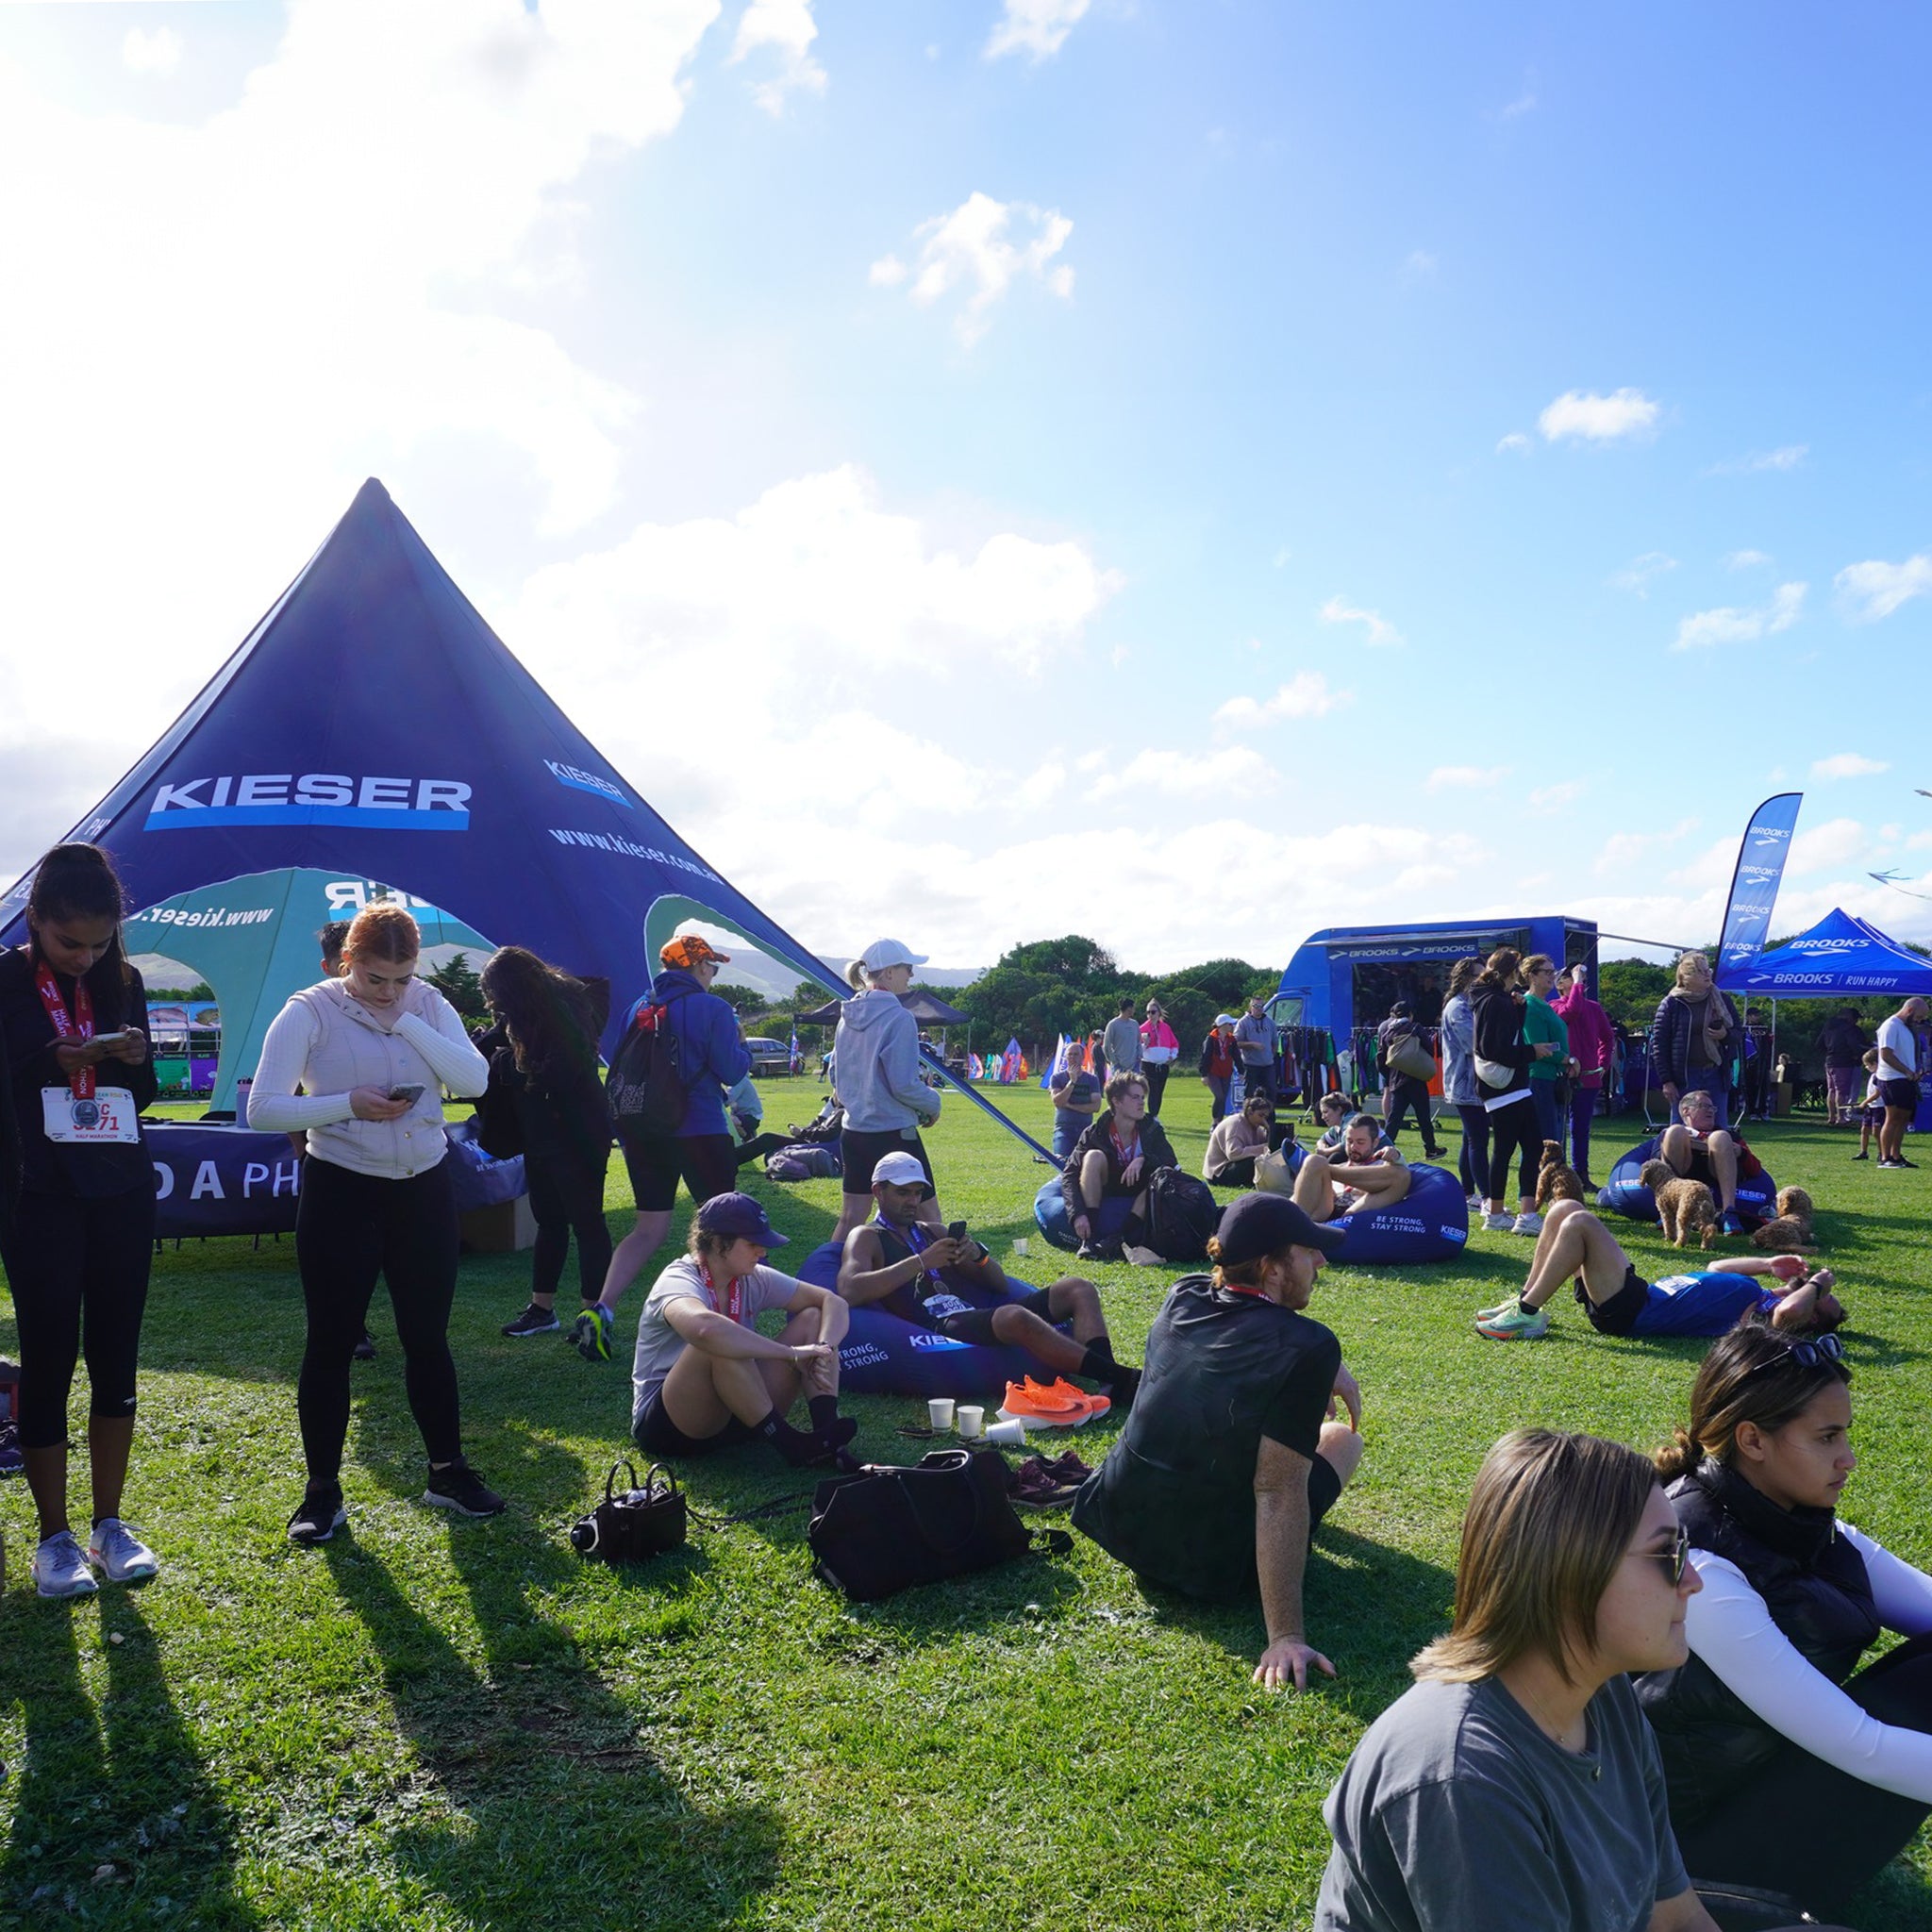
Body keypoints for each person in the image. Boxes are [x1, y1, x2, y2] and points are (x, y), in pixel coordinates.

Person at [1314, 1429, 1724, 1932]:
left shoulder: (1602, 1694)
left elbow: (1675, 1918)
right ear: (1567, 1576)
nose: (1693, 1581)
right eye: (1669, 1555)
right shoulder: (1463, 1777)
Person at [1639, 1314, 1932, 1922]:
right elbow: (1862, 1748)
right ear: (1752, 1440)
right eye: (1827, 1438)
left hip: (1755, 1776)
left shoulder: (1795, 1516)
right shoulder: (1703, 1567)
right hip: (1682, 1854)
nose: (1848, 1459)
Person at [248, 902, 499, 1541]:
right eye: (372, 979)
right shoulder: (308, 1009)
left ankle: (447, 1473)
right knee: (331, 1344)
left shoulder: (427, 1002)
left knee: (427, 1338)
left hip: (423, 1190)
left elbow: (476, 1079)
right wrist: (343, 1106)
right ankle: (322, 1494)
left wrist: (407, 1020)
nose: (387, 991)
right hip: (342, 1191)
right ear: (344, 963)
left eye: (402, 977)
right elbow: (263, 1109)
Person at [1073, 1193, 1363, 1688]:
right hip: (1211, 1567)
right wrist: (1284, 1636)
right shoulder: (1308, 1344)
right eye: (1307, 1251)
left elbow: (1231, 1311)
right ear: (1272, 1270)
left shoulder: (1181, 1294)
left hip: (1120, 1525)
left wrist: (1326, 1369)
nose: (1320, 1262)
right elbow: (1277, 1490)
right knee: (1339, 1440)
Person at [0, 844, 160, 1597]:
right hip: (38, 1192)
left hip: (120, 1186)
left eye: (98, 942)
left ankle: (109, 1525)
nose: (85, 956)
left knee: (117, 1352)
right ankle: (54, 1538)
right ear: (33, 920)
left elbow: (149, 1091)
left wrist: (128, 1054)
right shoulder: (4, 978)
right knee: (49, 1355)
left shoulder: (121, 980)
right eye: (70, 943)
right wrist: (44, 1060)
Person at [838, 1149, 1139, 1411]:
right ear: (878, 1191)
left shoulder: (933, 1231)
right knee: (1015, 1316)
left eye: (917, 1193)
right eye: (903, 1193)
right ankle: (1124, 1378)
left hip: (971, 1314)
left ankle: (1108, 1381)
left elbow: (998, 1285)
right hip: (937, 1326)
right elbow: (850, 1289)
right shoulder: (867, 1236)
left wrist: (976, 1256)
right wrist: (921, 1262)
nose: (913, 1201)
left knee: (1078, 1288)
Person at [572, 934, 751, 1362]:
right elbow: (731, 1069)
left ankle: (602, 1308)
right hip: (701, 1129)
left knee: (648, 1229)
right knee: (723, 1229)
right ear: (700, 966)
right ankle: (723, 1321)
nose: (713, 974)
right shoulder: (713, 1008)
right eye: (712, 966)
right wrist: (742, 1049)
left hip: (644, 1130)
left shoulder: (639, 1006)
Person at [629, 1191, 858, 1468]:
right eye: (752, 1243)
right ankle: (791, 1445)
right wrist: (790, 1353)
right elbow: (704, 1330)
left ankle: (829, 1441)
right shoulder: (678, 1279)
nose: (762, 1252)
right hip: (671, 1427)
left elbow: (833, 1302)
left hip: (738, 1415)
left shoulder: (751, 1276)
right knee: (717, 1342)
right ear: (717, 1243)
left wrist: (824, 1348)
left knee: (812, 1318)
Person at [477, 946, 616, 1341]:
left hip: (577, 1137)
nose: (494, 1006)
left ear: (514, 990)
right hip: (543, 1136)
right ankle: (542, 1309)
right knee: (550, 1223)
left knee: (588, 1224)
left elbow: (558, 1075)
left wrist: (504, 1060)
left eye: (497, 997)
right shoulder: (526, 1016)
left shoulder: (568, 1011)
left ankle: (593, 1316)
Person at [1474, 1198, 1839, 1341]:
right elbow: (1715, 1265)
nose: (1813, 1290)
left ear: (1811, 1316)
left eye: (1822, 1302)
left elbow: (1791, 1313)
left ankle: (1526, 1314)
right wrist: (1768, 1264)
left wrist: (1820, 1284)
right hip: (1636, 1295)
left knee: (1581, 1222)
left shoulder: (1768, 1315)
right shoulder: (1758, 1293)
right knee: (1564, 1208)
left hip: (1634, 1311)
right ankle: (1524, 1302)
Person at [830, 939, 941, 1245]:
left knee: (851, 1216)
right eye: (908, 968)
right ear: (890, 972)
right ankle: (942, 1282)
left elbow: (834, 1075)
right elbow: (903, 1084)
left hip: (853, 1131)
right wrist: (933, 1103)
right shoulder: (900, 1018)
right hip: (894, 1133)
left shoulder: (846, 1017)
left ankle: (823, 1280)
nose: (912, 975)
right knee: (928, 1217)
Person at [1472, 946, 1559, 1236]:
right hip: (1508, 1086)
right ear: (1511, 972)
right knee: (1523, 1148)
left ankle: (1503, 1213)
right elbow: (1494, 1048)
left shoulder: (1490, 999)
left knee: (1510, 1149)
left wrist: (1519, 1011)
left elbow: (1500, 1039)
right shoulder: (1494, 1002)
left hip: (1503, 1087)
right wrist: (1532, 1052)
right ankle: (1521, 1215)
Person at [1060, 1069, 1178, 1263]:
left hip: (1142, 1188)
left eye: (1142, 1097)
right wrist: (1077, 1215)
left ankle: (1120, 1238)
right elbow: (1070, 1174)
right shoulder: (1095, 1133)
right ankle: (1089, 1240)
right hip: (1108, 1184)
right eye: (1135, 1097)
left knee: (1160, 1178)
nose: (1141, 1102)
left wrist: (1143, 1159)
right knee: (1093, 1156)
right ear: (1116, 1101)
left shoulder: (1151, 1128)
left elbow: (1171, 1163)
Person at [1651, 951, 1742, 1130]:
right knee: (1680, 1129)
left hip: (1715, 1072)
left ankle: (1717, 1158)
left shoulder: (1721, 999)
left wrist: (1725, 1035)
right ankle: (1677, 1158)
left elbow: (1738, 1033)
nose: (1708, 974)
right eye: (1701, 971)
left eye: (1708, 969)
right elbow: (1659, 1045)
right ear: (1687, 977)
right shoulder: (1671, 1003)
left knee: (1718, 1128)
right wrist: (1667, 1081)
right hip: (1684, 1076)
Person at [1553, 962, 1616, 1189]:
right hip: (1560, 1076)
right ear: (1560, 984)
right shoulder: (1554, 1006)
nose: (1578, 978)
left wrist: (1603, 1063)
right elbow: (1572, 1011)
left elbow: (1607, 1038)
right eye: (1570, 976)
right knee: (1557, 1127)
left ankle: (1581, 1176)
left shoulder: (1594, 1008)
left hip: (1588, 1077)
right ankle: (1558, 1175)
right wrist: (1578, 984)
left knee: (1581, 1129)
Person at [1657, 1086, 1750, 1236]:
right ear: (1686, 1111)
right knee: (1675, 1131)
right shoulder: (1667, 1135)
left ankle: (1729, 1214)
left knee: (1720, 1137)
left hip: (1716, 1179)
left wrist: (1742, 1153)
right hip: (1682, 1179)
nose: (1710, 1111)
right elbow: (1655, 1165)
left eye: (1712, 1107)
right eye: (1704, 1106)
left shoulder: (1730, 1136)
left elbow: (1756, 1170)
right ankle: (1671, 1211)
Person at [1293, 1111, 1410, 1224]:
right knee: (1314, 1161)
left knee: (1316, 1163)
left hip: (1354, 1215)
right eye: (1349, 1141)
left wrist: (1396, 1156)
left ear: (1375, 1143)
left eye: (1360, 1142)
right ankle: (1291, 1227)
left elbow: (1402, 1174)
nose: (1353, 1147)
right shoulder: (1338, 1166)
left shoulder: (1381, 1166)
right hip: (1324, 1214)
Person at [1439, 957, 1489, 1209]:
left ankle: (1468, 1194)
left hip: (1472, 1082)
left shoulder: (1470, 1004)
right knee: (1478, 1140)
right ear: (1466, 978)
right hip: (1465, 1083)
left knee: (1471, 1139)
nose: (1484, 979)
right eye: (1479, 975)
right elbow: (1473, 1043)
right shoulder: (1458, 1007)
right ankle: (1486, 1196)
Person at [1374, 998, 1446, 1160]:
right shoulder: (1416, 1028)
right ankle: (1430, 1149)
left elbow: (1380, 1058)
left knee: (1394, 1119)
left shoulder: (1388, 1032)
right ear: (1411, 1015)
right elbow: (1429, 1049)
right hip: (1416, 1080)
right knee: (1424, 1118)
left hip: (1396, 1081)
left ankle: (1384, 1148)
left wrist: (1389, 1075)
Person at [1519, 954, 1571, 1154]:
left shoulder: (1546, 1006)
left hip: (1553, 1079)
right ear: (1532, 976)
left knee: (1554, 1138)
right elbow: (1538, 1046)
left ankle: (1553, 1182)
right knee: (1543, 1141)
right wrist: (1568, 1059)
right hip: (1538, 1079)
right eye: (1546, 972)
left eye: (1553, 972)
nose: (1552, 977)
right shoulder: (1530, 1006)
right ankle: (1538, 1183)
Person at [1873, 993, 1926, 1170]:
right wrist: (1906, 1071)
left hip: (1905, 1079)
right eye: (1918, 1017)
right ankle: (1885, 1157)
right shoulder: (1890, 1026)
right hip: (1891, 1079)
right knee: (1893, 1118)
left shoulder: (1905, 1027)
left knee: (1903, 1119)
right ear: (1909, 1010)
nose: (1919, 1021)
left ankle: (1896, 1156)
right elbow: (1886, 1055)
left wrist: (1914, 1071)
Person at [1205, 1091, 1275, 1189]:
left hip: (1231, 1166)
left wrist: (1270, 1133)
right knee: (1252, 1162)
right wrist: (1263, 1148)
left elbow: (1268, 1146)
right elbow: (1234, 1153)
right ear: (1250, 1111)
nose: (1263, 1119)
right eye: (1260, 1115)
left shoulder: (1256, 1126)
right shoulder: (1236, 1124)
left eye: (1265, 1117)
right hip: (1219, 1172)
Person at [1047, 1040, 1102, 1161]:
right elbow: (1058, 1102)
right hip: (1064, 1129)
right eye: (1069, 1054)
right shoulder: (1057, 1078)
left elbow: (1096, 1106)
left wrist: (1070, 1106)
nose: (1072, 1057)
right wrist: (1072, 1082)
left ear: (1083, 1057)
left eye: (1076, 1054)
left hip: (1085, 1130)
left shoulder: (1092, 1079)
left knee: (1086, 1163)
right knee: (1062, 1161)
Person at [1820, 1008, 1868, 1128]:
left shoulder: (1829, 1027)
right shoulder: (1848, 1029)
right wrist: (1859, 1054)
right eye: (1855, 1018)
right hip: (1843, 1063)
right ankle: (1841, 1118)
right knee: (1841, 1091)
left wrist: (1829, 1051)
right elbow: (1853, 1044)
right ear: (1849, 1017)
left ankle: (1831, 1116)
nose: (1856, 1021)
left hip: (1830, 1061)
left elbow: (1819, 1043)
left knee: (1831, 1090)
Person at [1139, 998, 1180, 1116]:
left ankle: (1155, 1115)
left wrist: (1172, 1055)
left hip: (1163, 1065)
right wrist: (1145, 1043)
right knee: (1153, 1090)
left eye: (1153, 1012)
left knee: (1159, 1091)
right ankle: (1152, 1116)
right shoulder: (1141, 1029)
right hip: (1148, 1064)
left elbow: (1174, 1044)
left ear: (1159, 1013)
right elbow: (1137, 1050)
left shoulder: (1166, 1028)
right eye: (1148, 1012)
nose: (1150, 1015)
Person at [1234, 994, 1279, 1101]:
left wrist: (1271, 1056)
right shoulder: (1243, 1023)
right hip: (1250, 1065)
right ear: (1250, 1007)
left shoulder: (1270, 1023)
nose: (1259, 1008)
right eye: (1256, 1005)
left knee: (1271, 1092)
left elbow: (1275, 1042)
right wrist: (1252, 1044)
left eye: (1261, 1006)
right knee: (1249, 1093)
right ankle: (1248, 1116)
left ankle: (1269, 1117)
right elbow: (1236, 1043)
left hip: (1268, 1065)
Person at [1200, 1014, 1239, 1124]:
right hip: (1213, 1072)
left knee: (1223, 1098)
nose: (1231, 1026)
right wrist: (1204, 1075)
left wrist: (1241, 1071)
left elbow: (1236, 1056)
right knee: (1219, 1096)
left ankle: (1220, 1123)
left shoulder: (1231, 1039)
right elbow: (1205, 1057)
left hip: (1226, 1072)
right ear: (1222, 1025)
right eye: (1229, 1024)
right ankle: (1215, 1122)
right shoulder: (1210, 1039)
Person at [1852, 1046, 1884, 1160]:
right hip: (1871, 1107)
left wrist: (1865, 1102)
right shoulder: (1873, 1075)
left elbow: (1877, 1093)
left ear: (1875, 1063)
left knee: (1876, 1132)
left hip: (1879, 1107)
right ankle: (1863, 1152)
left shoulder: (1879, 1076)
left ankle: (1882, 1153)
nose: (1866, 1067)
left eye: (1868, 1065)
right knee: (1864, 1129)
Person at [1101, 997, 1141, 1086]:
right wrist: (1114, 1061)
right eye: (1133, 1008)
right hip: (1119, 1066)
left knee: (1134, 1090)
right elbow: (1106, 1045)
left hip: (1134, 1065)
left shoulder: (1134, 1024)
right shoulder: (1113, 1024)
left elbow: (1138, 1042)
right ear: (1129, 1008)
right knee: (1120, 1091)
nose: (1134, 1010)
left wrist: (1139, 1056)